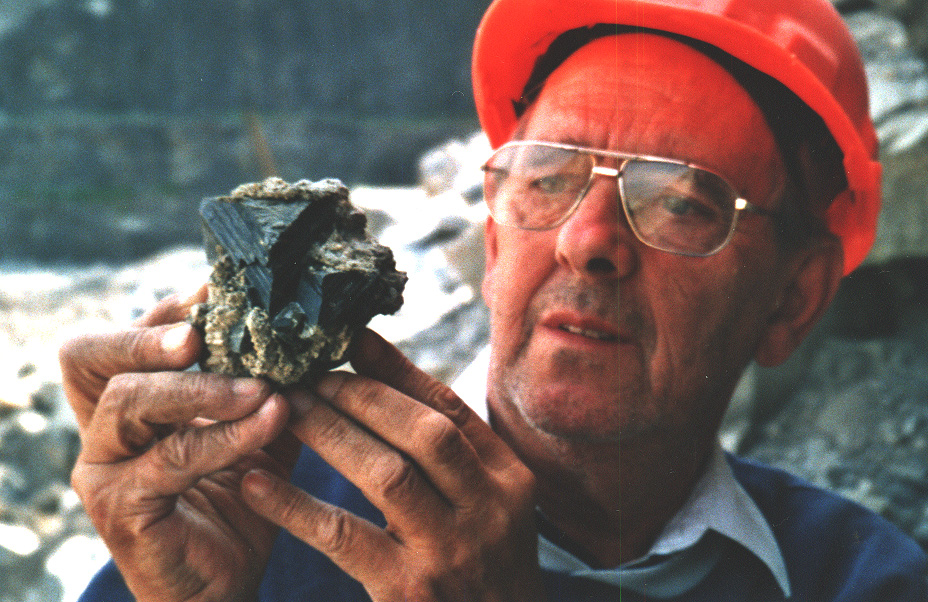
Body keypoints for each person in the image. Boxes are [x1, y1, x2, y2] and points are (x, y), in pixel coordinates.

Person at [61, 0, 927, 600]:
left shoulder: (861, 581)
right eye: (549, 178)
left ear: (793, 300)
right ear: (493, 228)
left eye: (682, 203)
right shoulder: (251, 511)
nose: (587, 241)